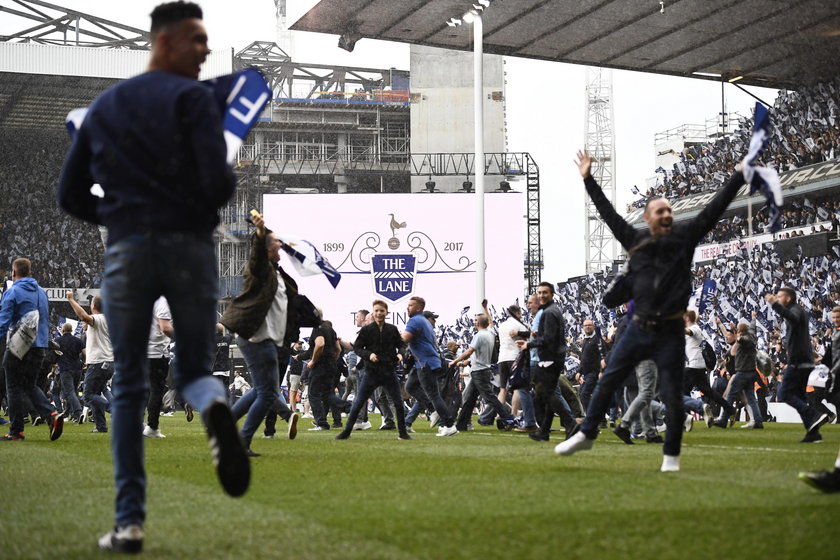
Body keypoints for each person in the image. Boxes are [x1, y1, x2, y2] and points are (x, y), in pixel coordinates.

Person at [57, 2, 249, 552]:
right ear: (165, 42)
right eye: (197, 40)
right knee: (193, 369)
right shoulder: (192, 100)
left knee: (127, 388)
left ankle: (130, 522)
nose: (207, 50)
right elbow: (220, 184)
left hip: (127, 251)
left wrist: (118, 214)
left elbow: (68, 195)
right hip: (188, 248)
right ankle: (214, 408)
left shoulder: (106, 107)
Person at [556, 149, 746, 472]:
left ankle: (671, 457)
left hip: (670, 330)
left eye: (669, 211)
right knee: (608, 381)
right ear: (648, 218)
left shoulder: (685, 239)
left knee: (672, 394)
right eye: (659, 211)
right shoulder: (635, 239)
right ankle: (587, 433)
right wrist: (588, 179)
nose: (666, 215)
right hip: (638, 328)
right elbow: (608, 214)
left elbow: (713, 211)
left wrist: (739, 176)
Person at [221, 211, 313, 451]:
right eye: (275, 242)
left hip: (268, 339)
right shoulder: (260, 270)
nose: (280, 245)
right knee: (267, 393)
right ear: (265, 248)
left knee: (264, 390)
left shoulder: (277, 274)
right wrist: (261, 231)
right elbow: (256, 254)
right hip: (255, 337)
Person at [0, 257, 63, 442]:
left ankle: (16, 431)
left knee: (13, 387)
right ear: (30, 272)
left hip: (18, 346)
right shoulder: (42, 293)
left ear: (13, 273)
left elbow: (3, 322)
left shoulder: (12, 292)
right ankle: (51, 414)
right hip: (40, 346)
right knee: (29, 385)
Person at [337, 299, 411, 440]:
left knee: (398, 402)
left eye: (381, 311)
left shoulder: (392, 329)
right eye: (376, 310)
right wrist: (369, 355)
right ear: (373, 312)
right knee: (359, 402)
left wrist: (401, 354)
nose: (379, 313)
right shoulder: (366, 330)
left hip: (389, 371)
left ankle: (403, 433)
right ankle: (346, 432)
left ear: (386, 313)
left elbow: (402, 345)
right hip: (371, 372)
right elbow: (357, 348)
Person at [767, 287, 830, 442]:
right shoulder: (796, 310)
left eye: (780, 296)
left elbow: (792, 318)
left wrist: (775, 304)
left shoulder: (795, 310)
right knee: (800, 397)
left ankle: (814, 414)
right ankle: (813, 433)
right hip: (803, 361)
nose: (777, 298)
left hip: (798, 361)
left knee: (784, 394)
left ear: (788, 298)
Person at [515, 282, 568, 442]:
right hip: (550, 357)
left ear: (551, 294)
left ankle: (572, 423)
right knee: (544, 395)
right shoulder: (550, 311)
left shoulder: (549, 312)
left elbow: (549, 339)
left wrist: (529, 344)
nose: (542, 295)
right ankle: (544, 431)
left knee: (545, 394)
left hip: (549, 358)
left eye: (545, 292)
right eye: (540, 292)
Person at [451, 302, 517, 431]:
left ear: (478, 323)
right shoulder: (490, 333)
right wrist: (486, 309)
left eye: (476, 320)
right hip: (481, 370)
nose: (474, 322)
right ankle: (461, 425)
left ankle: (509, 420)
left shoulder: (479, 335)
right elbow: (490, 323)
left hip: (479, 372)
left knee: (490, 398)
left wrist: (455, 361)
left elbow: (469, 351)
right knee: (469, 400)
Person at [798, 305, 840, 492]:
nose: (836, 320)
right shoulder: (836, 336)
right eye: (834, 318)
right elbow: (829, 360)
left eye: (839, 317)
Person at [402, 296, 457, 436]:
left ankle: (449, 424)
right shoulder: (424, 321)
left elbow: (405, 338)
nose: (407, 307)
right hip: (423, 361)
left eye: (410, 305)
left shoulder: (414, 320)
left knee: (433, 394)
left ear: (419, 308)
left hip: (425, 362)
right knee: (410, 387)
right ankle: (433, 410)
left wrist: (391, 338)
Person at [67, 292, 113, 434]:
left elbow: (83, 316)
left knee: (87, 395)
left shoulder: (98, 318)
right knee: (96, 393)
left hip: (98, 362)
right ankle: (101, 426)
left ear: (93, 306)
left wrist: (71, 300)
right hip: (108, 363)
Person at [683, 310, 734, 425]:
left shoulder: (694, 329)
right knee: (708, 392)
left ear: (687, 318)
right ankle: (729, 408)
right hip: (697, 366)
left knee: (683, 392)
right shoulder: (695, 326)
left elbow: (689, 331)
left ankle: (688, 416)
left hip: (693, 366)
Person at [143, 297, 174, 438]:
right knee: (156, 390)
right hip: (156, 353)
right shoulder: (163, 302)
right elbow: (165, 327)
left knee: (145, 390)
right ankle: (152, 426)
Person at [56, 322, 84, 423]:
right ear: (72, 330)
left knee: (70, 392)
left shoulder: (58, 341)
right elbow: (84, 352)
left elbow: (54, 355)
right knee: (74, 391)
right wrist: (85, 363)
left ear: (62, 330)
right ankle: (70, 413)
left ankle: (78, 412)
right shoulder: (78, 340)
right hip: (77, 368)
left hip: (65, 369)